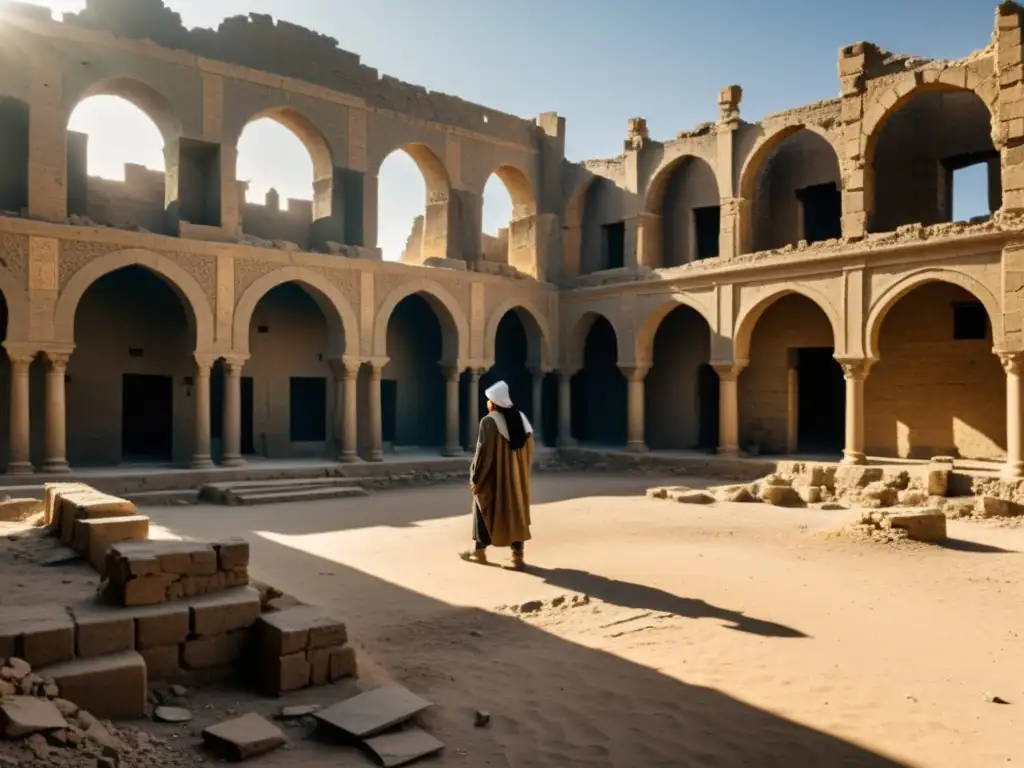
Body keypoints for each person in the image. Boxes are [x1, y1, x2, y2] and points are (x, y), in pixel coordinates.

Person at [460, 379, 534, 571]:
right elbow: (528, 450)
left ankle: (479, 551)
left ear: (493, 403)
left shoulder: (490, 421)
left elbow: (483, 452)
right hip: (516, 479)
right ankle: (517, 557)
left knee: (481, 507)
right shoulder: (521, 419)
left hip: (493, 477)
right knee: (515, 512)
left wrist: (475, 478)